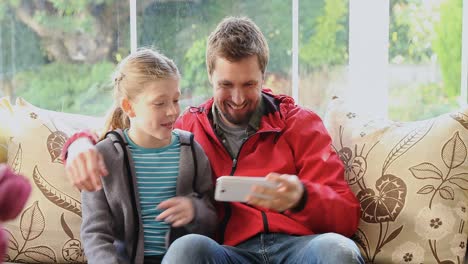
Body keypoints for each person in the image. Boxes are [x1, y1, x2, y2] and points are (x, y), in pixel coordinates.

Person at [63, 17, 363, 263]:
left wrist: (301, 197)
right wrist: (78, 144)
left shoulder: (300, 124)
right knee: (186, 249)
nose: (237, 98)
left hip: (299, 248)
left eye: (249, 84)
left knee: (338, 250)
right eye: (225, 85)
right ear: (210, 78)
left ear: (264, 77)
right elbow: (130, 134)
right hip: (229, 253)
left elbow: (346, 218)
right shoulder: (187, 129)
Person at [73, 48, 217, 264]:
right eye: (160, 103)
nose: (172, 111)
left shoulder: (191, 149)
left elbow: (213, 215)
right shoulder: (104, 156)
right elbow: (96, 234)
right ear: (129, 107)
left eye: (176, 100)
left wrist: (195, 210)